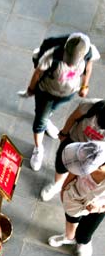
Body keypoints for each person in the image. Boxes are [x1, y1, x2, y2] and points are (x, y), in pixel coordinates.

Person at [22, 32, 100, 171]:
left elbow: (88, 67)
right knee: (40, 120)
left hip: (68, 93)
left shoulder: (89, 52)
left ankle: (47, 120)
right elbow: (38, 72)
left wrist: (85, 85)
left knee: (49, 112)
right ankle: (39, 148)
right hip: (47, 92)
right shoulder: (51, 55)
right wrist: (31, 89)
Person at [48, 141, 105, 256]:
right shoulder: (92, 152)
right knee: (70, 223)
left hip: (97, 208)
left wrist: (99, 208)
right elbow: (74, 172)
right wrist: (64, 190)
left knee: (85, 233)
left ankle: (83, 244)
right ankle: (68, 237)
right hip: (75, 197)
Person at [40, 99, 105, 201]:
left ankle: (68, 187)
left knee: (79, 174)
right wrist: (64, 134)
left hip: (94, 155)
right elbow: (73, 117)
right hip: (74, 141)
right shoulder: (91, 106)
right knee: (61, 164)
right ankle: (57, 184)